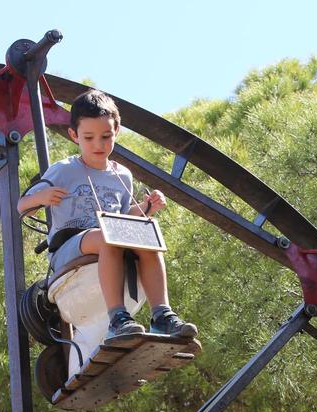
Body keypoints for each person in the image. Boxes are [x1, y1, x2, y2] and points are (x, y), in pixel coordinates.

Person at [18, 88, 198, 341]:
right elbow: (22, 205)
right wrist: (41, 198)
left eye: (105, 136)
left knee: (145, 233)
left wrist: (147, 207)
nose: (98, 145)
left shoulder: (121, 175)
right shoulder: (64, 171)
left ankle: (162, 315)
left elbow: (124, 216)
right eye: (89, 137)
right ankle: (118, 318)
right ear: (74, 135)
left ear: (117, 132)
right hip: (70, 244)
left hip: (107, 235)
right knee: (109, 235)